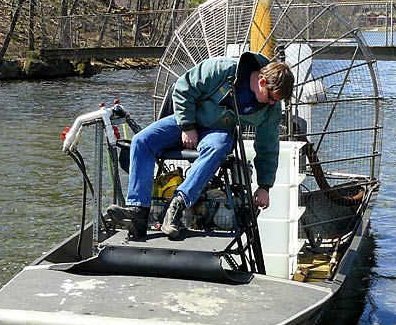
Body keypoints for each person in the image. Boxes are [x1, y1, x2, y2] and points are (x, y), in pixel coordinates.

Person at [107, 51, 294, 238]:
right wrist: (187, 127)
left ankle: (178, 205)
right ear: (262, 82)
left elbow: (268, 147)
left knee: (217, 147)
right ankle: (138, 211)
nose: (272, 104)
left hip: (218, 132)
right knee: (142, 140)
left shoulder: (272, 109)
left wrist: (264, 186)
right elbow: (183, 88)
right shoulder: (222, 69)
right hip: (188, 120)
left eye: (275, 101)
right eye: (271, 98)